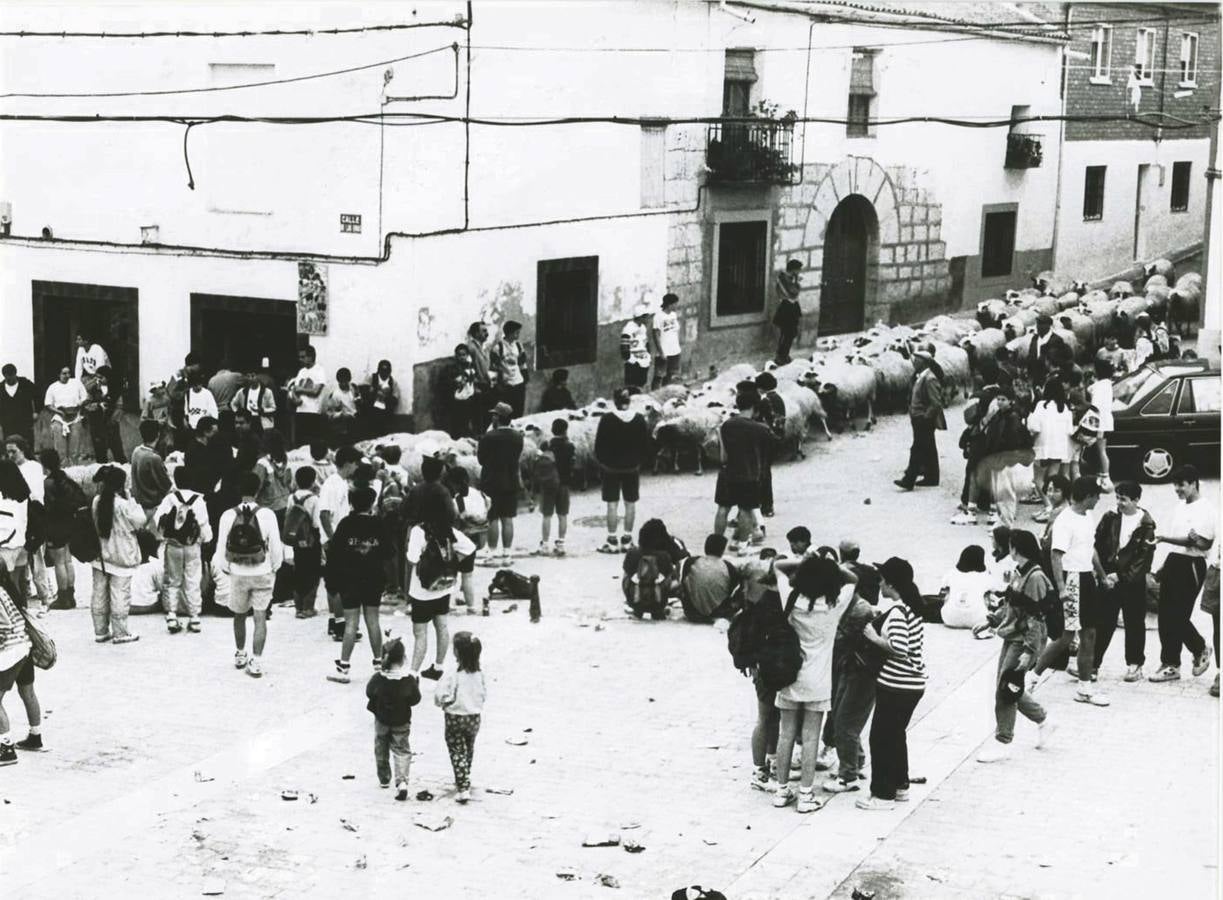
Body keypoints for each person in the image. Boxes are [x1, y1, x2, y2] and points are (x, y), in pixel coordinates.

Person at [771, 556, 853, 813]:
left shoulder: (792, 599)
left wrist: (806, 561)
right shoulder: (835, 605)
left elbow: (778, 565)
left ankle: (781, 790)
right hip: (818, 682)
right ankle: (806, 794)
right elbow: (854, 578)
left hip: (789, 676)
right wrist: (829, 565)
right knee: (810, 738)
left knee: (785, 735)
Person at [974, 529, 1053, 762]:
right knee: (1008, 686)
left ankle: (1003, 742)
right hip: (1014, 636)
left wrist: (1029, 651)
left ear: (1016, 548)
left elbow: (1036, 617)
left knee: (1005, 689)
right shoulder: (1021, 572)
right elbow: (1011, 605)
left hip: (1024, 639)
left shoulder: (1035, 577)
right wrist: (990, 621)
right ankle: (1044, 720)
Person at [856, 557, 926, 811]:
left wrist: (873, 637)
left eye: (882, 579)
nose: (880, 583)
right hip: (912, 683)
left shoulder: (897, 612)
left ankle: (883, 795)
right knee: (896, 736)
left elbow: (899, 648)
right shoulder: (911, 607)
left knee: (881, 738)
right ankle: (900, 786)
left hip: (896, 684)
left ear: (891, 583)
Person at [1032, 477, 1107, 705]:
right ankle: (1032, 678)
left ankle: (1084, 688)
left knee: (1089, 634)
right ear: (1088, 496)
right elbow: (1056, 555)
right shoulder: (1065, 520)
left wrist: (1101, 575)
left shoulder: (1088, 516)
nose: (1098, 500)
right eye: (1096, 496)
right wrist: (1062, 588)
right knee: (1066, 636)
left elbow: (1090, 548)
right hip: (1071, 578)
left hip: (1086, 578)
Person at [213, 470, 284, 679]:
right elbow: (276, 547)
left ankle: (240, 653)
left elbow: (220, 546)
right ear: (258, 489)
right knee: (260, 616)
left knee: (239, 614)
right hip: (262, 571)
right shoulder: (267, 514)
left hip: (237, 572)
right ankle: (257, 661)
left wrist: (227, 568)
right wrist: (274, 567)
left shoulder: (228, 515)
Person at [821, 553, 881, 794]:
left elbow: (836, 639)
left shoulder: (857, 609)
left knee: (845, 721)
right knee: (841, 716)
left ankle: (848, 776)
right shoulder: (850, 605)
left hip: (861, 672)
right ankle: (855, 761)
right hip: (850, 669)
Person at [1150, 465, 1215, 684]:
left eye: (1181, 485)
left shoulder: (1206, 509)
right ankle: (1170, 664)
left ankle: (1199, 647)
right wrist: (1163, 565)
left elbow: (1197, 541)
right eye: (1175, 485)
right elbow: (1180, 538)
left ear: (1193, 483)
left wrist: (1163, 538)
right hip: (1174, 561)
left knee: (1177, 615)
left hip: (1192, 564)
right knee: (1165, 615)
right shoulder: (1180, 507)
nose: (1177, 489)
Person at [325, 486, 394, 684]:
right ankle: (379, 664)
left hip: (350, 579)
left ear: (352, 503)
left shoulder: (346, 524)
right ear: (372, 503)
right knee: (373, 621)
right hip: (373, 578)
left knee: (351, 624)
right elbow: (389, 552)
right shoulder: (378, 524)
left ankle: (344, 667)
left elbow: (335, 554)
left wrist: (332, 581)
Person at [1093, 481, 1155, 682]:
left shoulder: (1146, 524)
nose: (1119, 503)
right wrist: (1103, 573)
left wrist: (1122, 577)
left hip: (1132, 582)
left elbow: (1143, 559)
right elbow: (1098, 544)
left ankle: (1135, 665)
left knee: (1134, 622)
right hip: (1110, 577)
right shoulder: (1110, 517)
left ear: (1136, 500)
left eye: (1124, 499)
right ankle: (1093, 664)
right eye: (1117, 498)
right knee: (1103, 621)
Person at [405, 507, 477, 680]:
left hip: (422, 591)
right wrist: (450, 563)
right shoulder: (448, 529)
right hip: (443, 587)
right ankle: (438, 667)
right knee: (442, 626)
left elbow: (412, 559)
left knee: (420, 634)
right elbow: (469, 547)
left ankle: (413, 673)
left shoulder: (418, 531)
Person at [152, 467, 211, 634]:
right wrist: (205, 540)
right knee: (192, 579)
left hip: (173, 546)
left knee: (173, 580)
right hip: (192, 546)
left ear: (175, 481)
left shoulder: (170, 499)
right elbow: (204, 526)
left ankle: (172, 615)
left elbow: (158, 521)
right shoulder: (199, 500)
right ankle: (194, 617)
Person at [90, 464, 145, 644]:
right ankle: (120, 632)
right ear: (121, 485)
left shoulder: (97, 501)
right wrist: (131, 499)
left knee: (99, 593)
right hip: (122, 556)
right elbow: (140, 522)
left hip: (101, 558)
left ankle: (100, 631)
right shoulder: (124, 505)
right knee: (120, 595)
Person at [715, 393, 775, 554]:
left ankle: (716, 544)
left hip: (727, 472)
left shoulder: (726, 425)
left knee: (723, 508)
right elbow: (769, 454)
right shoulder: (761, 429)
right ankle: (742, 545)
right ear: (755, 408)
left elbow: (723, 456)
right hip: (749, 474)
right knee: (746, 509)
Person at [595, 388, 651, 554]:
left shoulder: (607, 419)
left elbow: (599, 445)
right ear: (629, 401)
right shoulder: (639, 419)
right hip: (632, 468)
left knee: (612, 503)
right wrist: (639, 462)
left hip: (611, 468)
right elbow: (646, 445)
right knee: (630, 503)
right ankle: (627, 539)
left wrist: (603, 463)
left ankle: (612, 540)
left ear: (615, 401)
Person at [366, 637, 421, 801]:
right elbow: (415, 699)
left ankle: (384, 778)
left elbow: (369, 692)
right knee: (401, 749)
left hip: (382, 720)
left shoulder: (378, 678)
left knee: (380, 746)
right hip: (401, 721)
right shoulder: (409, 680)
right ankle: (402, 782)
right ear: (404, 658)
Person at [434, 631, 486, 804]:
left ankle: (463, 786)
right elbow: (482, 694)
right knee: (468, 748)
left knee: (456, 750)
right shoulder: (479, 674)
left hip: (455, 716)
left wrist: (444, 703)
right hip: (474, 717)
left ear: (457, 652)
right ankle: (464, 774)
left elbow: (443, 693)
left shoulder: (453, 673)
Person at [0, 571, 44, 764]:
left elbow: (2, 628)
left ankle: (6, 748)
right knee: (28, 692)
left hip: (9, 652)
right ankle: (35, 736)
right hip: (24, 646)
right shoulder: (11, 590)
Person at [320, 446, 362, 641]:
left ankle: (334, 621)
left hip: (340, 537)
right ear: (347, 463)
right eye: (355, 463)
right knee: (338, 584)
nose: (357, 467)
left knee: (334, 581)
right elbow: (324, 514)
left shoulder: (342, 483)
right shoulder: (331, 484)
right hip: (335, 539)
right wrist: (332, 539)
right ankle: (340, 625)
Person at [6, 436, 52, 610]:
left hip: (32, 515)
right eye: (8, 451)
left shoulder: (33, 467)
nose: (11, 455)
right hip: (15, 519)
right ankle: (23, 596)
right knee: (19, 562)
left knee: (37, 560)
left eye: (14, 451)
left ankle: (45, 597)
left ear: (23, 450)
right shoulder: (8, 468)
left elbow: (36, 494)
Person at [476, 402, 524, 568]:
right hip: (510, 480)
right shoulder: (518, 437)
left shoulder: (488, 437)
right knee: (507, 518)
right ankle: (507, 552)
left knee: (493, 517)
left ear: (498, 417)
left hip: (492, 481)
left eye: (494, 414)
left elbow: (481, 460)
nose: (492, 417)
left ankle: (492, 550)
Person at [894, 345, 946, 491]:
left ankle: (909, 479)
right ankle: (932, 477)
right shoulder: (921, 376)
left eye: (917, 359)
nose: (914, 361)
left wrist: (925, 417)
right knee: (928, 447)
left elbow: (936, 403)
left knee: (917, 448)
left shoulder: (929, 379)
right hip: (918, 417)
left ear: (923, 362)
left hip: (923, 419)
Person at [39, 449, 85, 610]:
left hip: (55, 525)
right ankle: (71, 595)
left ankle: (62, 596)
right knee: (67, 561)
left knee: (58, 563)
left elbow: (49, 507)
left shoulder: (48, 483)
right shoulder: (64, 477)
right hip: (68, 523)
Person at [622, 519, 689, 619]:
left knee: (627, 576)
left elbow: (626, 576)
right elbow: (673, 581)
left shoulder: (632, 553)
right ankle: (658, 610)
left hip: (635, 599)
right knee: (671, 579)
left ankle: (636, 608)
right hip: (659, 601)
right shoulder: (664, 556)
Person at [1028, 379, 1074, 524]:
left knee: (1038, 480)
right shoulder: (1065, 408)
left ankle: (1048, 506)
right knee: (1053, 479)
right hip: (1059, 448)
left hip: (1043, 447)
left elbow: (1034, 427)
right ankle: (1053, 506)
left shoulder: (1041, 405)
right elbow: (1069, 430)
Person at [284, 466, 323, 618]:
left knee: (299, 570)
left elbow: (289, 517)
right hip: (311, 540)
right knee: (313, 571)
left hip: (296, 540)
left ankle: (298, 607)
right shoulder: (313, 499)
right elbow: (315, 523)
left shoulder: (291, 498)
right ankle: (308, 607)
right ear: (313, 481)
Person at [534, 418, 574, 557]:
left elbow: (538, 462)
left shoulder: (546, 445)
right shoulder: (570, 446)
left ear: (552, 430)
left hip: (548, 484)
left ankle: (545, 545)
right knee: (562, 515)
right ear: (565, 430)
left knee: (547, 515)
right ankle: (561, 544)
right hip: (564, 484)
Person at [678, 534, 740, 623]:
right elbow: (732, 589)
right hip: (719, 613)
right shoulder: (728, 566)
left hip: (692, 613)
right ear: (722, 550)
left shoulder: (691, 562)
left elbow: (685, 584)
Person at [753, 372, 786, 519]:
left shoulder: (764, 401)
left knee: (763, 473)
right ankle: (766, 505)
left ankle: (766, 505)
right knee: (765, 471)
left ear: (761, 388)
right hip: (777, 438)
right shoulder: (778, 398)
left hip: (765, 440)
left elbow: (760, 420)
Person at [0, 461, 32, 611]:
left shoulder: (2, 497)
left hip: (6, 545)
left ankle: (15, 618)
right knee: (18, 583)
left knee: (8, 586)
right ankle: (23, 617)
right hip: (21, 542)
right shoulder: (23, 494)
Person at [938, 545, 993, 629]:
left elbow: (942, 591)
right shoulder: (985, 576)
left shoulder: (951, 573)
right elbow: (998, 589)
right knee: (987, 594)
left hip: (950, 618)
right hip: (978, 619)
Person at [130, 419, 171, 527]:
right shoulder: (153, 458)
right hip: (152, 506)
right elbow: (166, 485)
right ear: (158, 434)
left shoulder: (136, 451)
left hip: (139, 503)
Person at [43, 367, 88, 465]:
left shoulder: (76, 383)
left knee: (75, 449)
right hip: (60, 419)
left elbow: (85, 397)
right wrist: (60, 412)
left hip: (75, 417)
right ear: (58, 375)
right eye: (64, 373)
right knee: (60, 450)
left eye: (68, 373)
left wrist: (80, 405)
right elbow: (48, 404)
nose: (67, 375)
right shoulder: (53, 387)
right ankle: (62, 469)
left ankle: (74, 470)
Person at [83, 366, 126, 464]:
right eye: (97, 377)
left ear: (108, 377)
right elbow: (86, 404)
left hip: (111, 424)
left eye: (101, 377)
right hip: (96, 424)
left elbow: (119, 407)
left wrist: (113, 421)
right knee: (100, 451)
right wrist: (98, 405)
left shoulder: (116, 389)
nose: (99, 379)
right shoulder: (92, 388)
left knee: (117, 450)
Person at [288, 345, 327, 447]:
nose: (301, 359)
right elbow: (294, 389)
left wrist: (301, 390)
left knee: (312, 442)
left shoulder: (319, 370)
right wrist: (295, 398)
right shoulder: (301, 372)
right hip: (300, 410)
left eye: (303, 357)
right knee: (300, 442)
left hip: (313, 411)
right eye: (300, 357)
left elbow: (316, 391)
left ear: (311, 356)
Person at [490, 320, 530, 419]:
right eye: (516, 332)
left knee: (519, 410)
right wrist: (496, 385)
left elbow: (522, 363)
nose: (518, 335)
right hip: (506, 385)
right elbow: (493, 367)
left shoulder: (519, 346)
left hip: (518, 383)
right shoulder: (498, 347)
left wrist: (525, 379)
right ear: (510, 333)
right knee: (507, 413)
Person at [1089, 359, 1115, 494]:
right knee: (1101, 450)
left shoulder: (1099, 386)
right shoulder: (1107, 384)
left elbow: (1096, 406)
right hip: (1107, 421)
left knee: (1101, 450)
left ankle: (1105, 476)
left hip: (1100, 422)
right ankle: (1103, 475)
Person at [1024, 314, 1073, 386]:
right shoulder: (1035, 338)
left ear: (1048, 325)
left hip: (1050, 378)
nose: (1038, 326)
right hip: (1036, 376)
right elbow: (1031, 354)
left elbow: (1060, 360)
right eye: (1038, 324)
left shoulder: (1056, 340)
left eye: (1041, 324)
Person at [445, 344, 480, 440]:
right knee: (458, 422)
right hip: (458, 400)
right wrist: (456, 383)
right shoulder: (452, 368)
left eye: (464, 355)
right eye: (460, 355)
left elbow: (473, 379)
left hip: (469, 397)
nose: (462, 357)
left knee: (468, 420)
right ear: (456, 356)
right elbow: (448, 383)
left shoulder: (470, 366)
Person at [0, 364, 39, 447]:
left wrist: (36, 412)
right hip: (8, 423)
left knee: (26, 445)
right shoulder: (1, 388)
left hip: (25, 421)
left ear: (15, 374)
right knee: (10, 445)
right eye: (7, 377)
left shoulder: (25, 384)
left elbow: (38, 396)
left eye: (11, 376)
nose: (9, 379)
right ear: (4, 376)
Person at [773, 259, 803, 365]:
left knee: (791, 332)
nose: (799, 272)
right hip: (786, 307)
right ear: (793, 269)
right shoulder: (783, 278)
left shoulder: (792, 279)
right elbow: (793, 292)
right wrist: (796, 283)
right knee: (786, 333)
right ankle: (780, 356)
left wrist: (796, 283)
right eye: (798, 270)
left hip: (792, 307)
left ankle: (785, 354)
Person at [464, 322, 493, 426]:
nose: (487, 333)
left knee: (487, 416)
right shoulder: (471, 348)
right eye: (484, 331)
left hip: (486, 385)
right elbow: (467, 369)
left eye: (487, 330)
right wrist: (475, 386)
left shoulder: (483, 347)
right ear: (476, 334)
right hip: (478, 388)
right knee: (478, 418)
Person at [651, 293, 683, 388]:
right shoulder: (658, 316)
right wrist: (661, 352)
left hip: (675, 350)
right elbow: (655, 335)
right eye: (675, 304)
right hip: (664, 351)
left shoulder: (674, 315)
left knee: (671, 375)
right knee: (659, 376)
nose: (676, 306)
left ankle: (666, 393)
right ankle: (655, 395)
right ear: (669, 304)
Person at [322, 367, 360, 448]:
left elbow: (358, 402)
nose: (344, 384)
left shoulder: (353, 388)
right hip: (344, 420)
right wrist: (341, 414)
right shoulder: (335, 394)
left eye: (346, 381)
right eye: (341, 381)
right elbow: (330, 414)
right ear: (338, 381)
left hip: (355, 418)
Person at [620, 303, 654, 391]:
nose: (648, 319)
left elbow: (646, 342)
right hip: (633, 362)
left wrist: (648, 355)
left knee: (641, 383)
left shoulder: (643, 328)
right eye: (646, 316)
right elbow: (624, 347)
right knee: (631, 386)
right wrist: (630, 359)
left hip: (643, 361)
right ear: (641, 317)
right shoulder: (628, 329)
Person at [362, 359, 400, 439]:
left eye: (386, 372)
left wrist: (386, 397)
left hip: (385, 413)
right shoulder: (371, 378)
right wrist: (375, 392)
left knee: (383, 435)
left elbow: (395, 399)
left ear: (389, 372)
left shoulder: (393, 382)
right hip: (371, 411)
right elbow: (364, 392)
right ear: (378, 371)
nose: (384, 374)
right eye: (382, 371)